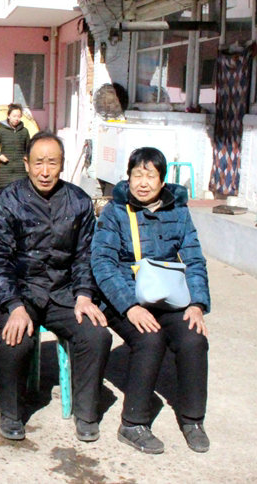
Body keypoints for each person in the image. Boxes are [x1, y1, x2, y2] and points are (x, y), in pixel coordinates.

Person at [0, 130, 111, 442]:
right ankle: (12, 412)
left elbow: (85, 255)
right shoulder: (7, 200)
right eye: (38, 162)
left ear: (62, 165)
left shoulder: (78, 201)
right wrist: (13, 305)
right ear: (26, 163)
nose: (45, 171)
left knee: (96, 335)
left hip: (63, 293)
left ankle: (86, 413)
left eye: (52, 163)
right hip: (20, 291)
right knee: (15, 340)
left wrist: (84, 295)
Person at [91, 147, 210, 454]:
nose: (143, 183)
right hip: (123, 297)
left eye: (150, 176)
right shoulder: (116, 212)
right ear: (128, 178)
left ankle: (193, 420)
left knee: (194, 338)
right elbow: (102, 263)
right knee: (150, 338)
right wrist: (129, 307)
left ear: (162, 181)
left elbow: (194, 259)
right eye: (137, 175)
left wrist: (197, 303)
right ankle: (133, 423)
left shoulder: (179, 212)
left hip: (166, 296)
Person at [0, 103, 31, 191]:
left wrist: (27, 162)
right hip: (5, 171)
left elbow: (29, 149)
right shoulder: (1, 131)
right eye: (14, 116)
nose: (16, 119)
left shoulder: (24, 132)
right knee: (3, 195)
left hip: (21, 171)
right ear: (8, 116)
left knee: (21, 195)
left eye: (19, 116)